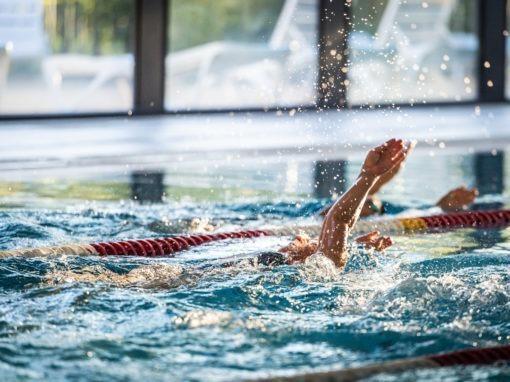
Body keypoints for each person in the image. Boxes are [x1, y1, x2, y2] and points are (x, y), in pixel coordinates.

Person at [251, 138, 409, 269]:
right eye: (309, 240)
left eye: (310, 241)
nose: (300, 236)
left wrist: (369, 175)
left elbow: (338, 220)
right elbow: (338, 221)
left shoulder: (320, 264)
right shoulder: (322, 265)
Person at [320, 141, 479, 217]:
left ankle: (373, 184)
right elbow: (334, 215)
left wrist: (439, 208)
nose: (368, 208)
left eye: (371, 206)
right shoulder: (321, 217)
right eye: (370, 205)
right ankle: (373, 183)